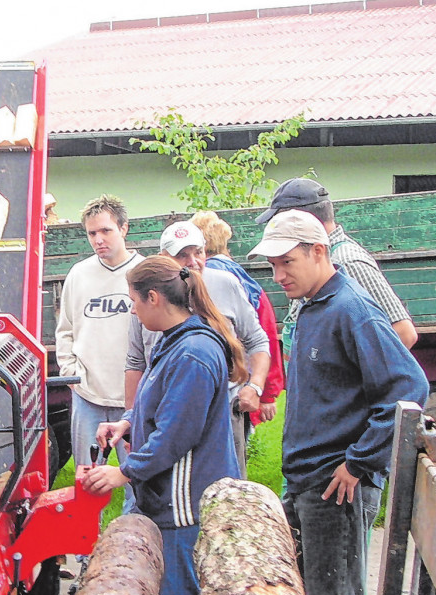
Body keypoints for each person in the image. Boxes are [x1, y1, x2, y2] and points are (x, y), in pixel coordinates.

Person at [247, 210, 428, 595]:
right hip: (310, 482)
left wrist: (361, 462)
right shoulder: (312, 307)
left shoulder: (352, 309)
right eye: (273, 265)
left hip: (336, 486)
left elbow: (409, 387)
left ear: (319, 251)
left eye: (287, 262)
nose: (279, 274)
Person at [81, 255, 244, 595]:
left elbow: (176, 435)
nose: (133, 312)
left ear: (154, 298)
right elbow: (164, 407)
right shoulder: (176, 342)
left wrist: (125, 472)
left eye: (134, 303)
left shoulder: (193, 353)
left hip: (184, 507)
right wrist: (127, 423)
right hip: (169, 500)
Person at [124, 221, 269, 472]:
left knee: (222, 494)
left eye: (198, 252)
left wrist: (255, 387)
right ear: (164, 258)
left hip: (222, 412)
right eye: (182, 255)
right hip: (164, 414)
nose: (193, 261)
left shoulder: (226, 285)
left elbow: (258, 340)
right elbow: (136, 363)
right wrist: (132, 421)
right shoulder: (146, 296)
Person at [56, 194, 144, 514]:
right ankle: (85, 554)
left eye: (105, 231)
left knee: (138, 479)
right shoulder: (79, 274)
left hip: (132, 400)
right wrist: (70, 372)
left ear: (124, 228)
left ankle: (133, 547)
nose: (98, 240)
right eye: (92, 233)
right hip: (88, 396)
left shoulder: (143, 272)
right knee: (87, 481)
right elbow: (64, 329)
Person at [256, 178, 419, 349]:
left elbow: (404, 333)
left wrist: (346, 373)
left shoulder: (346, 262)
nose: (278, 276)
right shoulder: (308, 266)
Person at [189, 211, 285, 426]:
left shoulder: (218, 279)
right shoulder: (242, 275)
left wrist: (264, 390)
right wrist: (267, 389)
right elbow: (266, 327)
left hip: (227, 388)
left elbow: (259, 335)